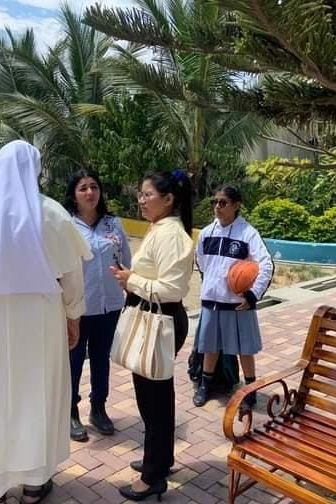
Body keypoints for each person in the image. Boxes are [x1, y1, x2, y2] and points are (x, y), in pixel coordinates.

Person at [0, 141, 92, 504]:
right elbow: (72, 273)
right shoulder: (49, 213)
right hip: (38, 316)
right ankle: (34, 482)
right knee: (37, 392)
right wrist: (73, 315)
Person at [111, 170, 195, 501]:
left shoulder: (171, 235)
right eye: (141, 194)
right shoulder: (160, 229)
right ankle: (160, 459)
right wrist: (131, 279)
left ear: (169, 199)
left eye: (148, 195)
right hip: (152, 318)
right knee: (156, 398)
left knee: (153, 401)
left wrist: (131, 280)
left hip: (159, 321)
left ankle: (153, 476)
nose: (141, 200)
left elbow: (172, 289)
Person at [64, 169, 131, 442]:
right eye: (83, 188)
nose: (90, 192)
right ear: (74, 194)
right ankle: (71, 411)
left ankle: (99, 408)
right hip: (77, 308)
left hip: (109, 305)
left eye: (94, 186)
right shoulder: (66, 226)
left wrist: (129, 286)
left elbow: (126, 260)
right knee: (73, 361)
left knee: (102, 358)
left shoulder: (113, 224)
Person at [192, 185, 274, 408]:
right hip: (211, 301)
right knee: (210, 347)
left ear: (236, 205)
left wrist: (252, 294)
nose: (217, 206)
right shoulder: (206, 233)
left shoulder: (248, 233)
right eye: (215, 202)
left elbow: (266, 264)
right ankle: (205, 385)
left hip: (238, 304)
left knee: (244, 349)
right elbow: (201, 262)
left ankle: (250, 390)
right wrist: (213, 283)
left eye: (223, 202)